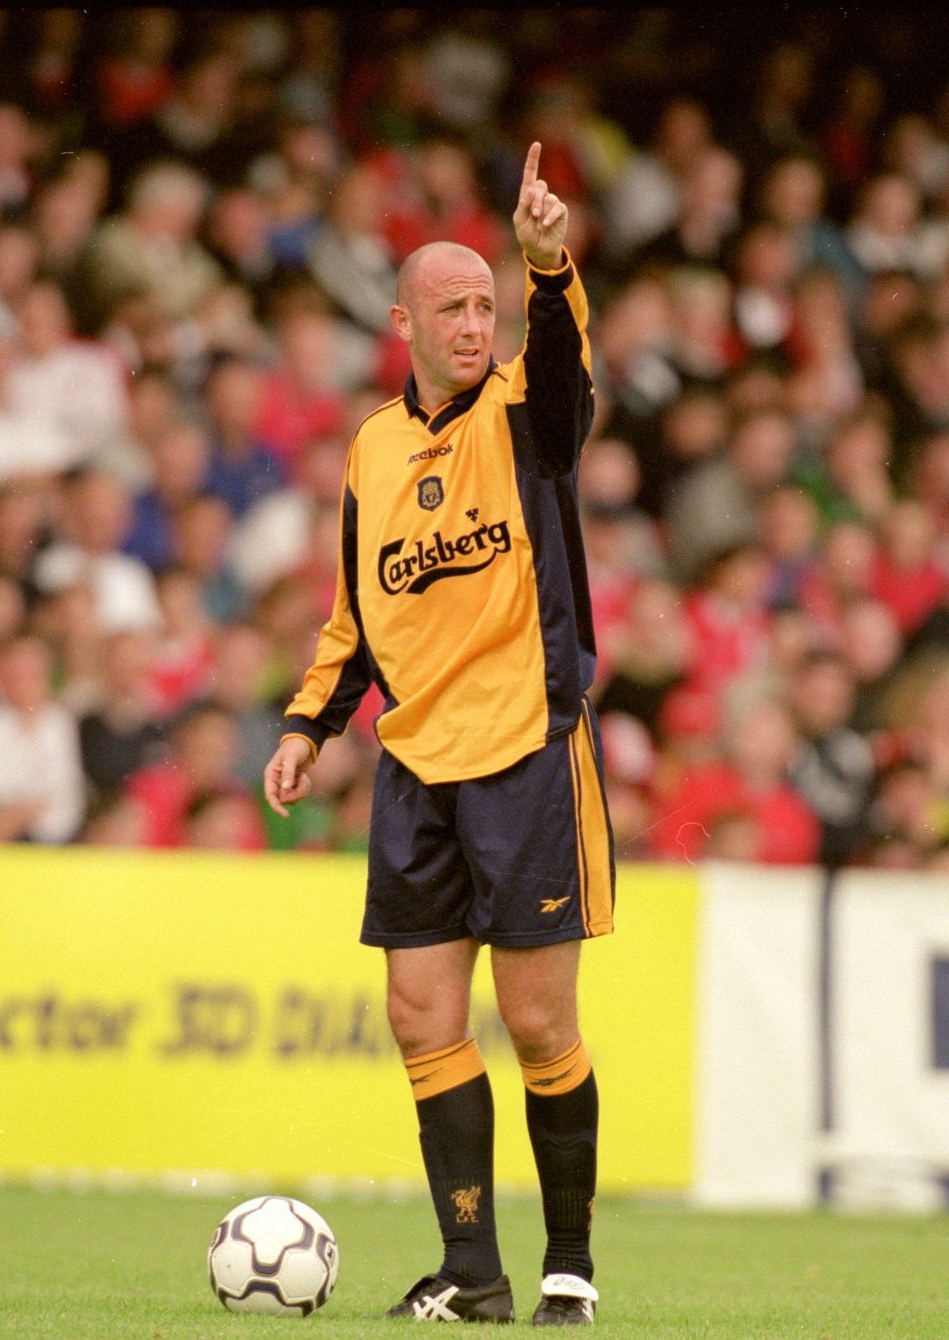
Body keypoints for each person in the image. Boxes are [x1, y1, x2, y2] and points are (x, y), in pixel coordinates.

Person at [264, 144, 606, 1327]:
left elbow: (564, 377)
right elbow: (360, 610)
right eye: (453, 308)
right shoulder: (369, 448)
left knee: (538, 1021)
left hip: (523, 748)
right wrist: (312, 718)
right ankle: (476, 1271)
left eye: (487, 304)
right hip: (416, 763)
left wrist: (547, 264)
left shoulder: (524, 410)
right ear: (402, 320)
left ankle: (570, 1264)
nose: (476, 323)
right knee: (420, 1015)